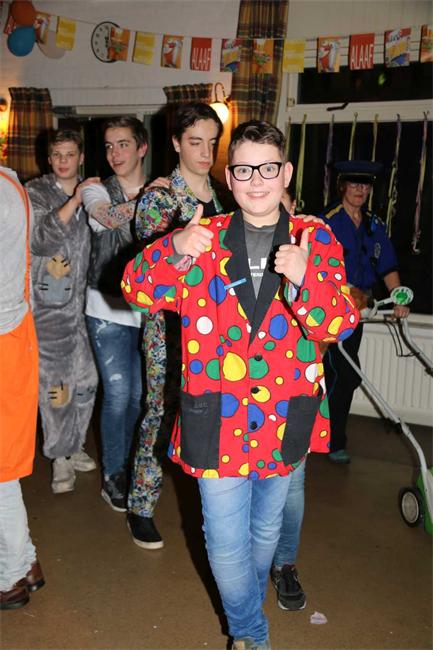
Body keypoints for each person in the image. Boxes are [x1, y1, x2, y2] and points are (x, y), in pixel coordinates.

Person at [121, 120, 359, 650]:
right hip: (216, 415)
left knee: (264, 535)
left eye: (268, 169)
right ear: (229, 177)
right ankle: (252, 634)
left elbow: (339, 323)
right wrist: (173, 246)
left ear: (286, 173)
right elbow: (136, 290)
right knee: (225, 543)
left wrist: (306, 277)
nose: (256, 181)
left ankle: (246, 623)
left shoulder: (314, 237)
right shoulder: (202, 237)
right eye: (245, 170)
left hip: (285, 417)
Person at [84, 103, 225, 550]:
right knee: (159, 415)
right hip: (169, 328)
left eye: (212, 143)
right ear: (177, 143)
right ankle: (141, 506)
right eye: (195, 142)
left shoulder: (225, 197)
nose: (205, 153)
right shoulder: (159, 197)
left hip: (216, 330)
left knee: (211, 418)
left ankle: (212, 510)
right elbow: (151, 271)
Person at [320, 160, 410, 464]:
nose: (360, 189)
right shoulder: (326, 222)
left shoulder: (374, 225)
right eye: (354, 183)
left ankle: (329, 437)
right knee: (342, 373)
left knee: (343, 374)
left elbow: (388, 266)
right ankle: (330, 440)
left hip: (357, 314)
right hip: (329, 311)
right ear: (342, 186)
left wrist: (398, 298)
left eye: (365, 185)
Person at [26, 130, 98, 494]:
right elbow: (40, 240)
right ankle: (59, 457)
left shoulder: (94, 194)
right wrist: (75, 200)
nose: (63, 161)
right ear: (49, 158)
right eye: (57, 155)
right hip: (50, 310)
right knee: (57, 388)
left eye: (70, 154)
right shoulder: (35, 192)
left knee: (87, 382)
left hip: (86, 308)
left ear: (81, 157)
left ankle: (75, 445)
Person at [84, 116, 147, 513]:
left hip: (146, 312)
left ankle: (129, 465)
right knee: (119, 394)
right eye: (109, 146)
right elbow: (108, 218)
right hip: (105, 308)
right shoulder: (94, 189)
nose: (115, 153)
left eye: (123, 144)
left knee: (140, 396)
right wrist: (151, 200)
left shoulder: (160, 190)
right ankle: (113, 474)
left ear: (142, 147)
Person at [0, 166, 44, 610]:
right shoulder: (9, 181)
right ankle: (25, 562)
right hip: (13, 331)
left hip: (2, 336)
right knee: (3, 465)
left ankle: (9, 574)